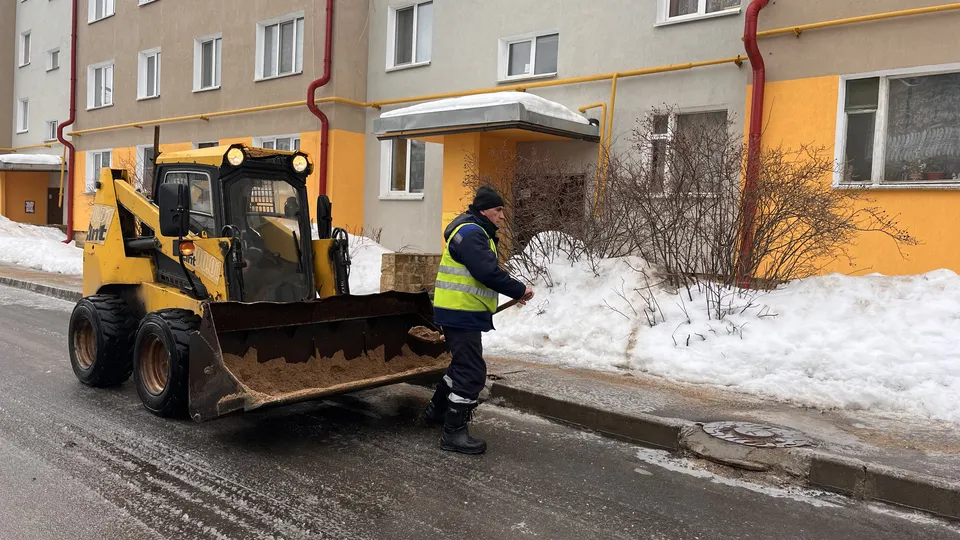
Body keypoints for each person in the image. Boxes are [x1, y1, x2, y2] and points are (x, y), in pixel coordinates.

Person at [422, 186, 534, 454]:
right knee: (472, 373)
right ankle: (453, 435)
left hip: (461, 312)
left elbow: (480, 273)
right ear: (484, 209)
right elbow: (486, 271)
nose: (502, 217)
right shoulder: (472, 233)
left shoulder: (473, 230)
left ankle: (435, 413)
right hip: (461, 313)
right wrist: (519, 290)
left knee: (461, 366)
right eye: (498, 210)